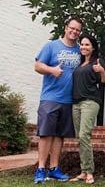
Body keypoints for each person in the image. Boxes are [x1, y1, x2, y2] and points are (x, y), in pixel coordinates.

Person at [34, 17, 83, 184]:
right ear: (65, 27)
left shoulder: (79, 50)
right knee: (46, 133)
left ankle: (54, 168)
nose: (74, 31)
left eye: (77, 30)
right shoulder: (51, 46)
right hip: (50, 98)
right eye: (72, 28)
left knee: (60, 136)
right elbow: (37, 65)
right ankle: (41, 169)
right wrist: (51, 70)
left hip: (68, 100)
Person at [69, 34, 105, 184]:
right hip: (76, 103)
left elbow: (104, 82)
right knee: (80, 137)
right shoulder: (79, 64)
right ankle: (83, 171)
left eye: (87, 45)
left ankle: (89, 172)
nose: (84, 47)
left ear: (93, 48)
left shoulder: (97, 62)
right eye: (82, 44)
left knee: (85, 134)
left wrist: (102, 71)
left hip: (90, 102)